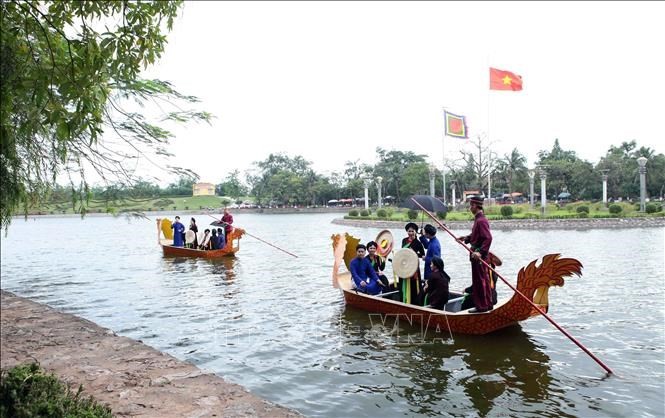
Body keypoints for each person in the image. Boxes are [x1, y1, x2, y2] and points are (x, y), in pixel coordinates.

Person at [456, 195, 494, 313]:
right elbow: (477, 236)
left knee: (480, 282)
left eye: (471, 206)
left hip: (478, 257)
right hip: (476, 256)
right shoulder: (478, 219)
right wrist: (466, 238)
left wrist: (480, 253)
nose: (470, 208)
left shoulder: (481, 220)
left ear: (475, 206)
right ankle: (487, 304)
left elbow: (488, 238)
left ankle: (481, 307)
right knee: (483, 281)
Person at [400, 222, 426, 305]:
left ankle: (414, 302)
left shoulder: (418, 243)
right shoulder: (404, 240)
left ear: (415, 231)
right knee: (403, 281)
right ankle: (403, 299)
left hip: (413, 265)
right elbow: (402, 252)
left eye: (412, 231)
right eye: (409, 231)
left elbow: (423, 255)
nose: (410, 233)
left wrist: (414, 253)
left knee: (414, 284)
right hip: (404, 264)